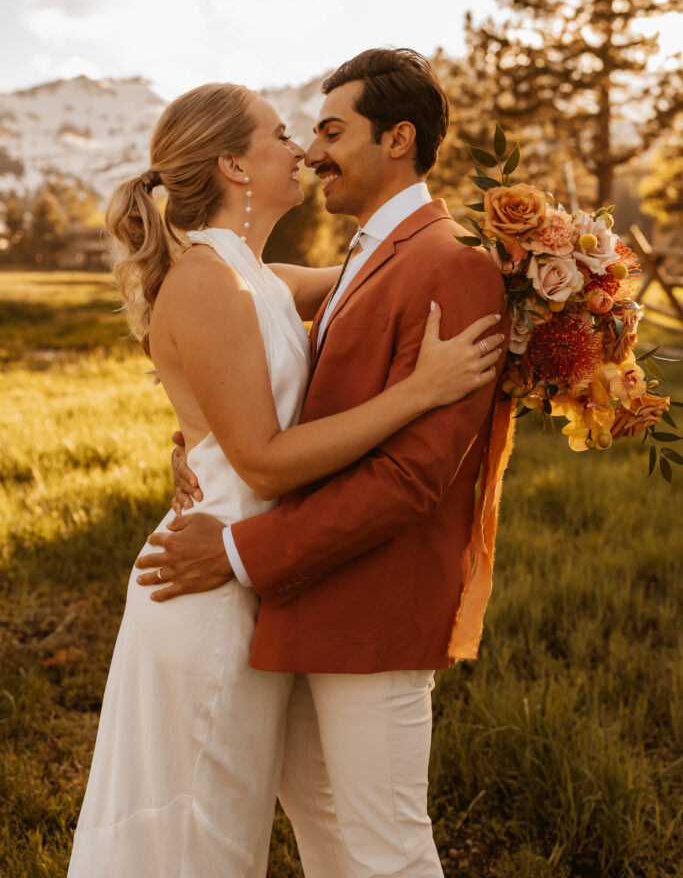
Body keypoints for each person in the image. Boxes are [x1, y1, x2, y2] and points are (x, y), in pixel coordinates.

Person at [67, 72, 505, 878]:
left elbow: (380, 283)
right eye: (280, 136)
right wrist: (420, 392)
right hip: (206, 580)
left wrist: (550, 269)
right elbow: (260, 455)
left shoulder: (261, 277)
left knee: (236, 825)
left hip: (261, 574)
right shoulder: (210, 279)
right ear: (235, 167)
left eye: (319, 134)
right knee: (200, 833)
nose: (300, 149)